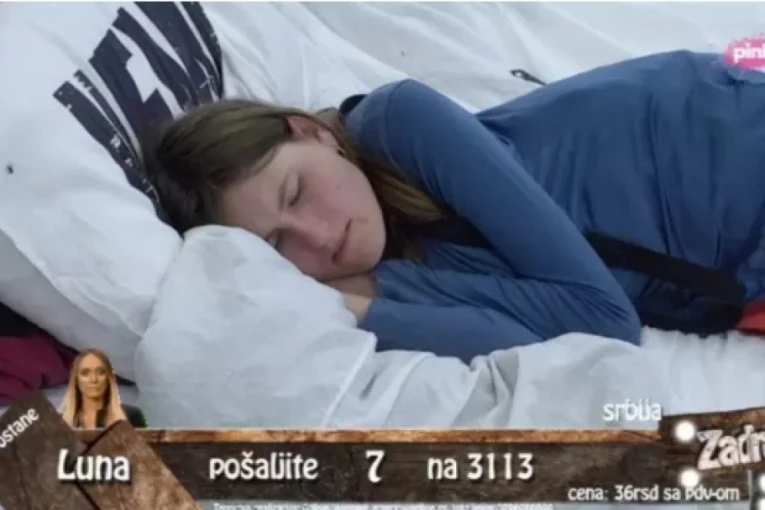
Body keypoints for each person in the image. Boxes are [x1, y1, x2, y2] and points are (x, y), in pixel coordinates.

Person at [142, 50, 765, 361]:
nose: (317, 236)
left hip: (725, 139)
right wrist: (347, 303)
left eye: (296, 192)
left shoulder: (398, 121)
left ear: (310, 132)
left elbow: (605, 321)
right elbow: (511, 337)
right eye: (279, 244)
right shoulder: (390, 269)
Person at [60, 348, 146, 429]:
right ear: (76, 380)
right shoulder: (61, 421)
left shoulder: (132, 415)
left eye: (100, 372)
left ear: (109, 378)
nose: (93, 379)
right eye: (85, 373)